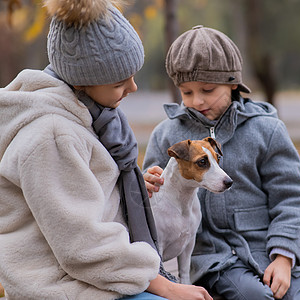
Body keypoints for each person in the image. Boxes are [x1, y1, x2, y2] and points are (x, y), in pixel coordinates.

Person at [0, 1, 212, 299]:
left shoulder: (94, 116)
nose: (133, 88)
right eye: (119, 82)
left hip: (94, 272)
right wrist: (163, 284)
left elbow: (87, 191)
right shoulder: (51, 136)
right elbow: (80, 245)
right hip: (60, 285)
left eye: (133, 76)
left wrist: (135, 186)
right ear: (83, 81)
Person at [143, 25, 300, 300]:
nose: (196, 101)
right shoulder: (166, 135)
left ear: (233, 83)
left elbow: (291, 198)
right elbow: (147, 203)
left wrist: (284, 255)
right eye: (186, 92)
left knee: (294, 296)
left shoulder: (267, 131)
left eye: (207, 90)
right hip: (214, 260)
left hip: (268, 252)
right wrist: (147, 181)